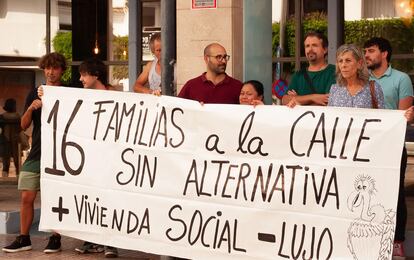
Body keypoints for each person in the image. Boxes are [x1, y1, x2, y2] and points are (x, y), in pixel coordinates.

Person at [2, 52, 66, 254]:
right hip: (37, 151)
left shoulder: (70, 92)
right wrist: (31, 108)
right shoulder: (35, 93)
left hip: (61, 154)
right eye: (47, 67)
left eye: (55, 68)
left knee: (55, 198)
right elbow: (23, 125)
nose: (50, 71)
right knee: (27, 197)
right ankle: (24, 238)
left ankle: (56, 237)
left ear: (62, 70)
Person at [364, 37, 414, 257]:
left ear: (384, 54)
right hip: (366, 147)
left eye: (371, 51)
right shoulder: (360, 80)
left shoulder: (401, 79)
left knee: (395, 194)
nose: (366, 55)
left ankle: (397, 241)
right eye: (365, 51)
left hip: (392, 147)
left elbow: (405, 115)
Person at [75, 58, 119, 258]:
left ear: (96, 75)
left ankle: (110, 242)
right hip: (89, 158)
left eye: (84, 74)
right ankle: (94, 239)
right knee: (92, 199)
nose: (80, 78)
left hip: (110, 158)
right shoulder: (80, 97)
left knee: (110, 198)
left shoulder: (115, 97)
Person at [282, 31, 336, 106]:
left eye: (314, 45)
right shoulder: (298, 75)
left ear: (325, 50)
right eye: (307, 46)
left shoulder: (334, 72)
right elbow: (285, 100)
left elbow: (328, 101)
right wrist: (313, 98)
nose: (310, 49)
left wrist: (298, 99)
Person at [0, 98, 21, 177]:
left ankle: (5, 176)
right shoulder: (17, 116)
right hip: (16, 139)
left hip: (5, 139)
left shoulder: (2, 116)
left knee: (6, 159)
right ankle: (18, 175)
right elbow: (21, 128)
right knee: (17, 159)